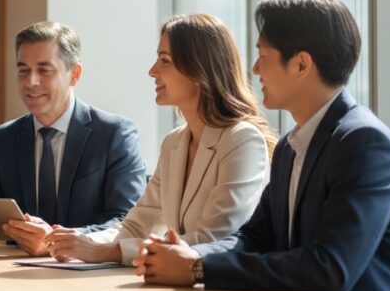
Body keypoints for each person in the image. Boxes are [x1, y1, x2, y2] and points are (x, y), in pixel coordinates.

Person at [134, 0, 390, 291]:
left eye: (264, 55)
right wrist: (193, 255)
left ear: (301, 64)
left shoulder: (364, 143)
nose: (256, 68)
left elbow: (330, 267)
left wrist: (198, 269)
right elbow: (254, 238)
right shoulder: (290, 147)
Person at [45, 14, 276, 264]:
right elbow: (135, 227)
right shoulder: (174, 143)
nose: (152, 71)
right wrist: (75, 241)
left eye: (164, 60)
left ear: (198, 70)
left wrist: (108, 252)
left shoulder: (242, 140)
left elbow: (216, 238)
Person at [0, 21, 147, 256]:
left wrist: (53, 242)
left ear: (74, 74)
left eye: (44, 70)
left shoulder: (115, 134)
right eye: (23, 70)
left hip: (88, 276)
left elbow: (126, 223)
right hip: (18, 277)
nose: (31, 82)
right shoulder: (4, 138)